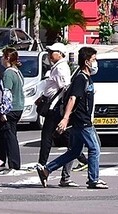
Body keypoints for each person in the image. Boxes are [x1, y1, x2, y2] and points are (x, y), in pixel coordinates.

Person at [36, 46, 107, 190]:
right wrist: (65, 118)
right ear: (86, 62)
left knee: (74, 151)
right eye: (94, 60)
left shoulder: (86, 78)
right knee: (95, 148)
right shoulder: (81, 78)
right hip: (82, 120)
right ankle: (93, 179)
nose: (95, 63)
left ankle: (47, 169)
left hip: (80, 120)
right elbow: (72, 99)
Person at [37, 42, 87, 187]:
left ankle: (43, 165)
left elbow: (65, 88)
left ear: (60, 54)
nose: (49, 54)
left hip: (55, 107)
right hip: (54, 106)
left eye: (52, 51)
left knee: (48, 136)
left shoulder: (61, 68)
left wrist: (64, 110)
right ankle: (81, 159)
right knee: (65, 137)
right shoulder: (57, 67)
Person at [0, 48, 25, 173]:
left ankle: (13, 163)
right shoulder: (17, 72)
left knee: (9, 136)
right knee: (9, 134)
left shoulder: (8, 73)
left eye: (3, 56)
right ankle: (4, 161)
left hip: (11, 108)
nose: (1, 59)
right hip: (18, 106)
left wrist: (3, 112)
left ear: (7, 58)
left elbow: (6, 93)